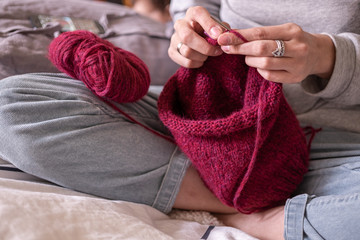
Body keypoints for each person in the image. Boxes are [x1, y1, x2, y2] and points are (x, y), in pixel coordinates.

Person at [0, 0, 359, 240]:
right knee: (13, 106)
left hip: (341, 144)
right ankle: (230, 198)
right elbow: (195, 6)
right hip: (206, 118)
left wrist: (328, 58)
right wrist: (189, 27)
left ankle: (263, 217)